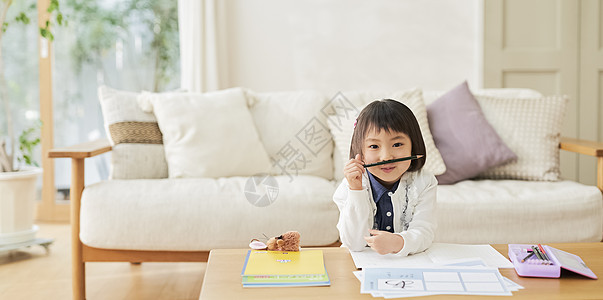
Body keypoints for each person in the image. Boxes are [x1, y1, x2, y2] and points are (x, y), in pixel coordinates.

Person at [333, 99, 437, 256]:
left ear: (413, 146)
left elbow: (424, 232)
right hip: (361, 263)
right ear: (360, 151)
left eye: (397, 144)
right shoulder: (349, 186)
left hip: (409, 262)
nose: (386, 156)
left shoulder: (425, 182)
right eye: (374, 146)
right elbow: (353, 243)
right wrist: (356, 190)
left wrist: (399, 242)